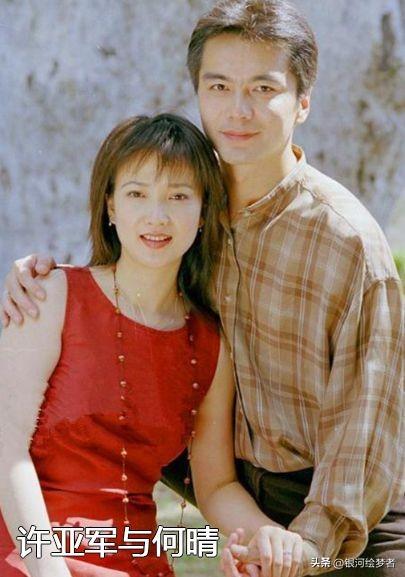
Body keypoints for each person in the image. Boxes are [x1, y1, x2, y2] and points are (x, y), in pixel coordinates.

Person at [2, 1, 404, 576]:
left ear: (303, 102)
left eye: (263, 88)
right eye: (219, 86)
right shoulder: (186, 197)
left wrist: (297, 549)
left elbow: (362, 439)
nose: (238, 109)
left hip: (343, 511)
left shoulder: (347, 244)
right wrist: (39, 280)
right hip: (208, 506)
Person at [0, 113, 311, 577]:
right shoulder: (49, 296)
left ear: (203, 212)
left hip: (136, 558)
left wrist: (270, 536)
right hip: (28, 550)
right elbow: (7, 448)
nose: (157, 215)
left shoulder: (209, 343)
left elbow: (216, 487)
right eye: (137, 194)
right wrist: (47, 568)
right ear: (110, 206)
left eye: (179, 196)